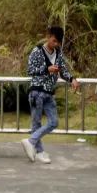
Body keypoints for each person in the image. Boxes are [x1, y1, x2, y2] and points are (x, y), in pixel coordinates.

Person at [21, 25, 80, 164]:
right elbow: (30, 70)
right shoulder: (37, 51)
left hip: (49, 93)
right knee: (36, 123)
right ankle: (40, 152)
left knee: (54, 122)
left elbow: (63, 70)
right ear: (48, 37)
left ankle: (31, 141)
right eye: (54, 41)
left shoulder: (58, 53)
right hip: (37, 92)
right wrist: (46, 69)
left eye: (58, 42)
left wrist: (72, 79)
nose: (55, 44)